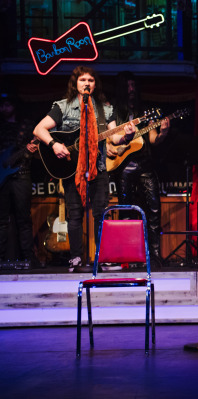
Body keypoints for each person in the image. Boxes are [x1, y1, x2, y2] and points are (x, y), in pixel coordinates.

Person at [33, 66, 136, 273]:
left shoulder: (105, 109)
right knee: (75, 214)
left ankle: (103, 257)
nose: (86, 83)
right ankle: (76, 259)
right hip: (72, 169)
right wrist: (54, 144)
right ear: (75, 84)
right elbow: (39, 129)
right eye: (82, 80)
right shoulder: (63, 107)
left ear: (95, 84)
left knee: (101, 213)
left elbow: (114, 137)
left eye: (90, 80)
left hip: (98, 168)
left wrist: (127, 135)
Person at [106, 71, 170, 269]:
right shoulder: (114, 110)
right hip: (123, 166)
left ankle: (155, 254)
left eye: (134, 86)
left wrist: (164, 132)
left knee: (153, 208)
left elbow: (152, 139)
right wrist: (118, 143)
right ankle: (128, 255)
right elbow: (112, 138)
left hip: (145, 164)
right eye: (128, 86)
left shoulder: (145, 112)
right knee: (126, 209)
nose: (132, 90)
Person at [0, 92, 39, 268]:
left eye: (7, 105)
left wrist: (29, 151)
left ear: (14, 106)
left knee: (24, 219)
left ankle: (29, 258)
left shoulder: (26, 125)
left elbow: (34, 148)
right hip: (3, 176)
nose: (3, 108)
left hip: (21, 173)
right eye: (2, 105)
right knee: (1, 220)